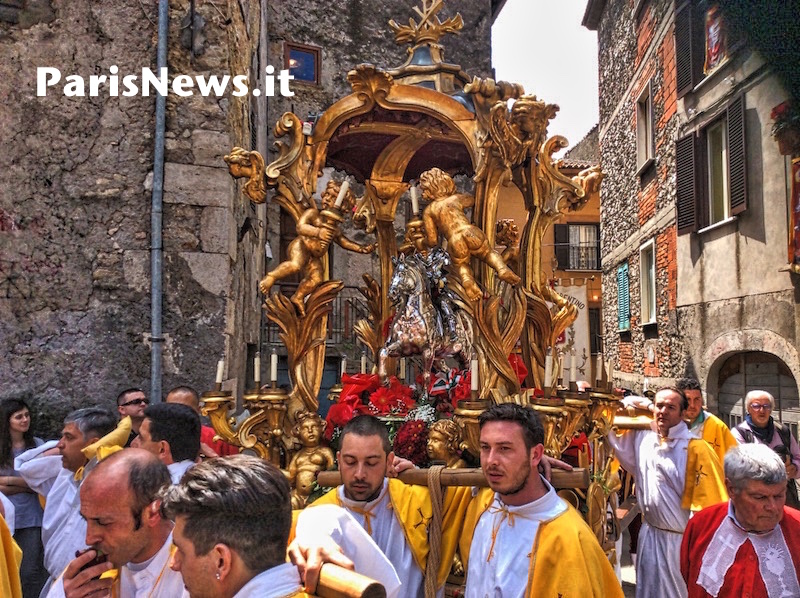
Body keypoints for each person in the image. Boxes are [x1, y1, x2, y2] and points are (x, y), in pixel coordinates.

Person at [459, 403, 622, 596]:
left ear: (536, 454)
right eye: (485, 448)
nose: (490, 461)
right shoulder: (483, 505)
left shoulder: (569, 536)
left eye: (505, 449)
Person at [607, 387, 727, 598]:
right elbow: (620, 410)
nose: (663, 411)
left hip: (678, 543)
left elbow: (709, 510)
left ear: (683, 413)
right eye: (660, 406)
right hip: (650, 534)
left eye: (671, 407)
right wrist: (647, 404)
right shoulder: (645, 439)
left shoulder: (696, 449)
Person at [47, 449, 184, 598]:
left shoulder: (192, 570)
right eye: (86, 520)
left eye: (103, 522)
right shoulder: (82, 578)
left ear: (152, 513)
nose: (89, 539)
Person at [16, 407, 118, 595]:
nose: (61, 444)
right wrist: (61, 446)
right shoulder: (63, 473)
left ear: (93, 444)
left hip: (90, 588)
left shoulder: (112, 484)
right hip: (56, 584)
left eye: (69, 438)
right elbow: (25, 467)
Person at [681, 443, 800, 597]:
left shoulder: (797, 529)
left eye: (779, 496)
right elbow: (687, 574)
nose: (773, 507)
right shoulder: (701, 525)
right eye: (760, 497)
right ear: (731, 489)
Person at [258, 180, 375, 315]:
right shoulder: (314, 214)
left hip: (314, 256)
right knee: (295, 265)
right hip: (301, 246)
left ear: (342, 206)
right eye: (327, 195)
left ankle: (298, 297)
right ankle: (271, 277)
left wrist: (361, 249)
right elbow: (300, 227)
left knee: (316, 279)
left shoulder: (334, 228)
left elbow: (343, 242)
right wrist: (318, 232)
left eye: (333, 198)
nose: (327, 200)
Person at [419, 167, 520, 301]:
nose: (423, 195)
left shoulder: (429, 210)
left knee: (462, 265)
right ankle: (501, 268)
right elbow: (473, 201)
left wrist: (422, 242)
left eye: (425, 190)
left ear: (431, 190)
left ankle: (467, 282)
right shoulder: (456, 199)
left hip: (454, 240)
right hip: (469, 231)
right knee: (488, 253)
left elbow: (432, 240)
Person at [0, 398, 47, 597]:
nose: (24, 420)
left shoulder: (37, 445)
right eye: (18, 416)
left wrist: (9, 481)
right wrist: (25, 484)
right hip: (4, 517)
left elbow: (41, 482)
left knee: (29, 571)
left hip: (31, 517)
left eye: (26, 415)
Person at [732, 390, 800, 510]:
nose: (762, 410)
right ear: (748, 408)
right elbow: (739, 468)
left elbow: (797, 457)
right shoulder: (740, 434)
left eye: (766, 406)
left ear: (771, 409)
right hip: (755, 500)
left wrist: (794, 468)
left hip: (785, 498)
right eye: (756, 406)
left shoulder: (782, 431)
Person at [132, 402, 201, 484]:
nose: (133, 443)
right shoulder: (211, 481)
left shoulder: (158, 491)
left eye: (141, 438)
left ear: (162, 449)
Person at [677, 377, 737, 465]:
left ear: (702, 400)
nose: (692, 405)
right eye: (688, 400)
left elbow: (734, 459)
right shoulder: (671, 424)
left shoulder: (717, 426)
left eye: (697, 399)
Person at [165, 386, 238, 457]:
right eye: (171, 409)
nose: (178, 415)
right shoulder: (157, 439)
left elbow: (234, 466)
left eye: (184, 410)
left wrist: (213, 459)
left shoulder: (219, 438)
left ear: (198, 410)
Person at [286, 411, 335, 509]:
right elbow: (291, 476)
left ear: (321, 428)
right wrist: (273, 469)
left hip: (317, 497)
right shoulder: (298, 455)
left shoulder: (325, 452)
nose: (310, 431)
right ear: (298, 432)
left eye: (314, 427)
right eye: (305, 428)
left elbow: (333, 473)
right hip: (298, 496)